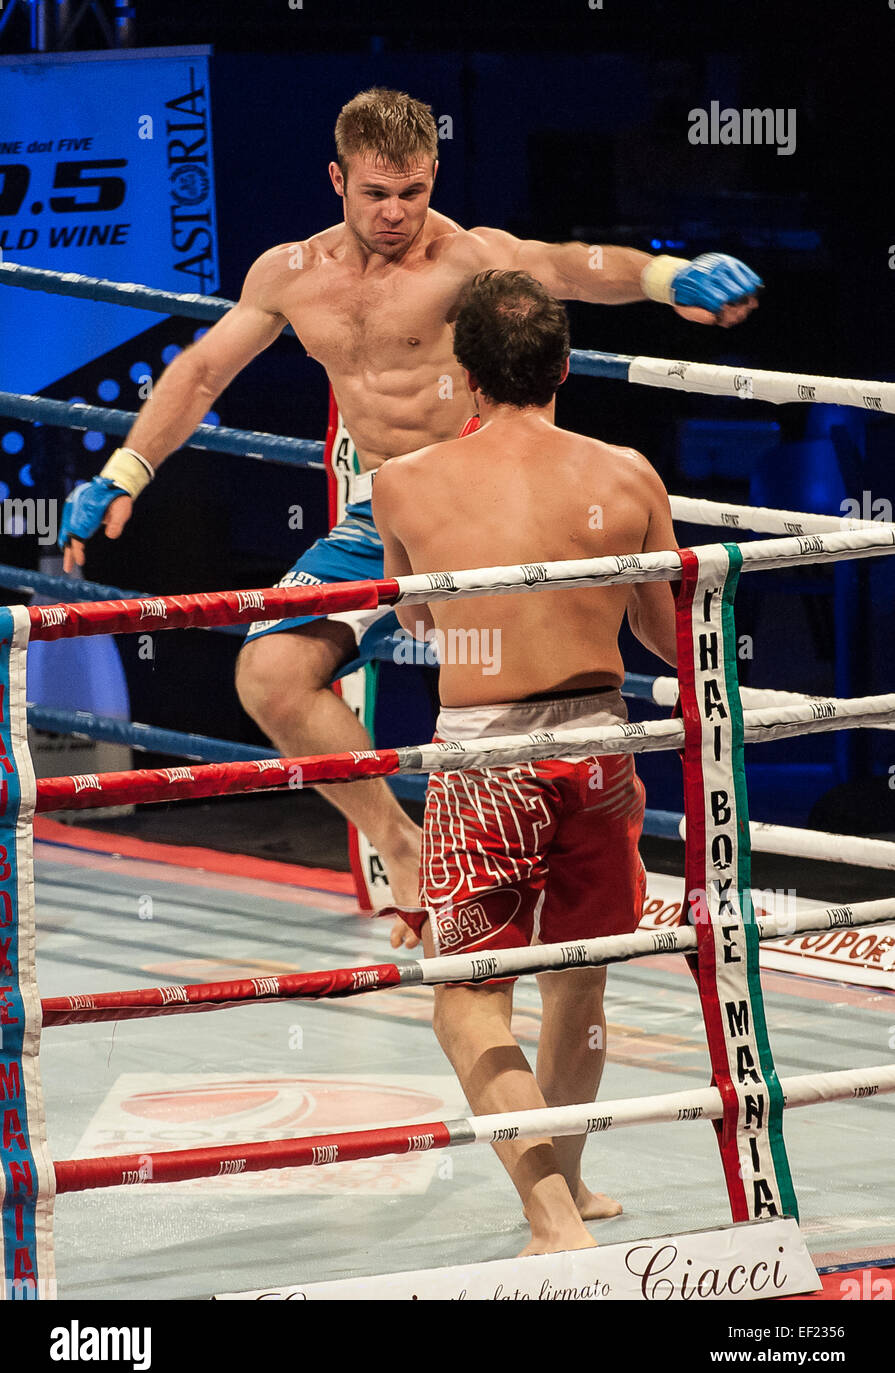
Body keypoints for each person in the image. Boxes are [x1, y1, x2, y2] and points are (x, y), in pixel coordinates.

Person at [59, 87, 755, 927]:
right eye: (375, 193)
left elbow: (568, 266)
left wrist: (664, 275)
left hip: (485, 508)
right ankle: (403, 843)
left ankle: (589, 864)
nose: (396, 213)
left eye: (414, 192)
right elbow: (204, 371)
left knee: (523, 686)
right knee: (271, 675)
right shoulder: (287, 275)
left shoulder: (467, 260)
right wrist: (125, 469)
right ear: (336, 179)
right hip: (384, 518)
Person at [371, 268, 679, 1255]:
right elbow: (672, 638)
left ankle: (553, 1217)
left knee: (467, 999)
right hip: (599, 747)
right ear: (565, 365)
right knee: (579, 983)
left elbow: (417, 617)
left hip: (487, 760)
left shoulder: (403, 482)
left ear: (463, 370)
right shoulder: (628, 473)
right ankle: (572, 1185)